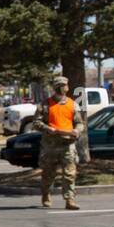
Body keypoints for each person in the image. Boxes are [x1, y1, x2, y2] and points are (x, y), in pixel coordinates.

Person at [36, 76, 83, 210]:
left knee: (70, 174)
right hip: (50, 145)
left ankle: (70, 200)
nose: (64, 88)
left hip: (67, 144)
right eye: (61, 85)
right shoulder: (45, 105)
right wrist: (47, 128)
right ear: (56, 88)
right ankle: (46, 194)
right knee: (48, 174)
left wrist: (77, 130)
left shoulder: (72, 104)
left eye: (65, 85)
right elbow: (36, 122)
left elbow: (79, 123)